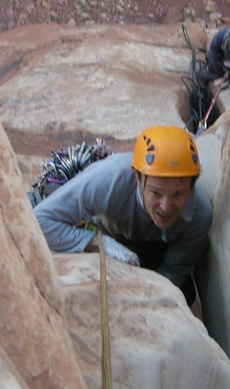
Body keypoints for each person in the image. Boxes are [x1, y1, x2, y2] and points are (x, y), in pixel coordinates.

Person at [33, 125, 212, 305]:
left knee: (185, 292)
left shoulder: (200, 214)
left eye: (178, 195)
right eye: (156, 193)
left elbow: (175, 270)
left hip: (154, 246)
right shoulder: (110, 178)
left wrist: (147, 299)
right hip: (105, 230)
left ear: (191, 187)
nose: (165, 207)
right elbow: (40, 220)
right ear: (137, 180)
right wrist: (97, 243)